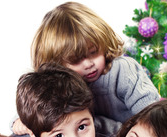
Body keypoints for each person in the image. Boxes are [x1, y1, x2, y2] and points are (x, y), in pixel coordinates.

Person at [29, 1, 160, 123]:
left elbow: (150, 111)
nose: (88, 64)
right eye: (75, 60)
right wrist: (20, 121)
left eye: (93, 52)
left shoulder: (122, 70)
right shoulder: (60, 85)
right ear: (57, 65)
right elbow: (36, 106)